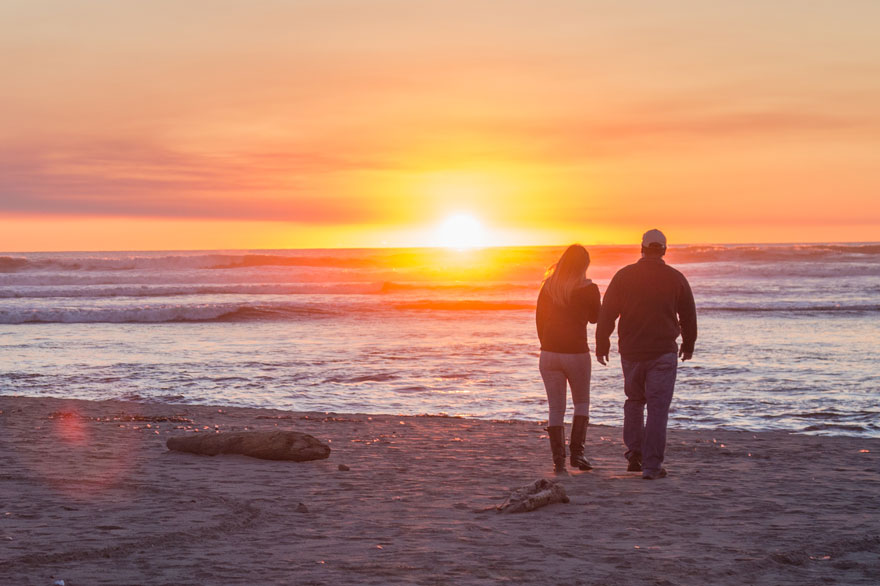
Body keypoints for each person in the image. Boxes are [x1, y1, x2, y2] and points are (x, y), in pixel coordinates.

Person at [595, 229, 697, 480]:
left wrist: (602, 343)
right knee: (657, 409)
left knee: (634, 402)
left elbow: (607, 312)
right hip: (662, 352)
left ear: (641, 247)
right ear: (663, 249)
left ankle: (634, 455)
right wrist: (689, 344)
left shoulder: (624, 276)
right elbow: (688, 315)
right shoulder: (676, 278)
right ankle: (651, 466)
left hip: (631, 351)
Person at [536, 244, 601, 475]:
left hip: (549, 353)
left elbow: (539, 322)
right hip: (576, 353)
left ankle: (558, 462)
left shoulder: (549, 287)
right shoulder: (589, 288)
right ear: (584, 266)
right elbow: (595, 319)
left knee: (556, 408)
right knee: (581, 403)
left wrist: (547, 346)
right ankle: (577, 454)